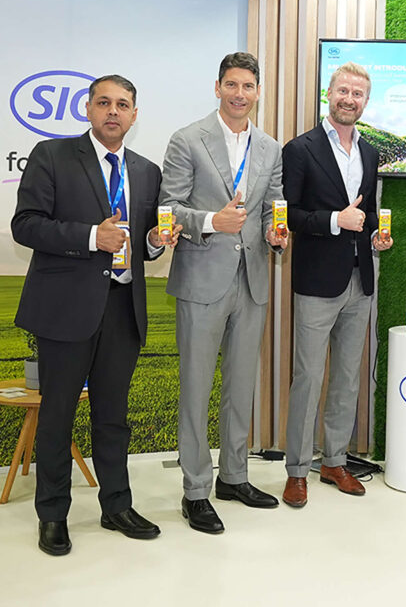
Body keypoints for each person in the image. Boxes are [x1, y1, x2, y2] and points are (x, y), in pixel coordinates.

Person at [12, 74, 181, 555]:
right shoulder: (52, 155)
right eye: (103, 102)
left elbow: (142, 241)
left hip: (123, 309)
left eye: (122, 104)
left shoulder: (146, 171)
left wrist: (154, 241)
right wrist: (92, 237)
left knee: (113, 416)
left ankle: (117, 506)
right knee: (57, 415)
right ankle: (52, 515)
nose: (113, 111)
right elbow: (26, 225)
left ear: (134, 115)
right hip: (65, 310)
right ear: (87, 109)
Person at [161, 52, 287, 534]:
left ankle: (233, 476)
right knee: (196, 388)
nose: (240, 94)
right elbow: (169, 207)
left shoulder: (270, 147)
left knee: (241, 385)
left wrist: (277, 232)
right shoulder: (187, 139)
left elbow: (274, 206)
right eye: (231, 85)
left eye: (248, 86)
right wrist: (213, 221)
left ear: (258, 92)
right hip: (201, 279)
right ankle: (195, 490)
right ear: (218, 88)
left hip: (251, 278)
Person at [280, 62, 392, 508]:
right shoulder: (300, 149)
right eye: (343, 91)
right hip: (316, 281)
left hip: (359, 280)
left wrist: (376, 236)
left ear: (366, 101)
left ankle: (334, 461)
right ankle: (296, 471)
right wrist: (334, 221)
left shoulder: (370, 152)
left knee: (346, 378)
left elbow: (368, 212)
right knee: (308, 377)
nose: (349, 99)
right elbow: (288, 213)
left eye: (358, 94)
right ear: (329, 93)